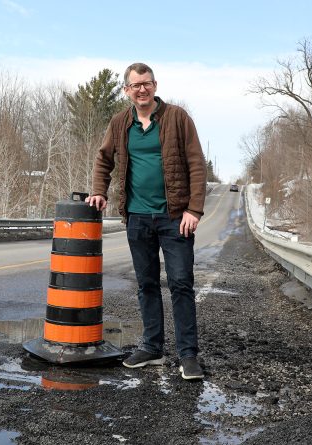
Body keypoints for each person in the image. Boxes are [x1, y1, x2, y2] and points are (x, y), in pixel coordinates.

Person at [86, 62, 207, 380]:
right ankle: (152, 348)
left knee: (181, 284)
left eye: (147, 83)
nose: (141, 89)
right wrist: (99, 191)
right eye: (135, 85)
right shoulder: (119, 123)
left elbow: (196, 162)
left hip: (175, 218)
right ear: (126, 90)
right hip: (137, 218)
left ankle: (188, 355)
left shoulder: (177, 117)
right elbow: (103, 159)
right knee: (147, 284)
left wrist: (194, 210)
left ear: (155, 85)